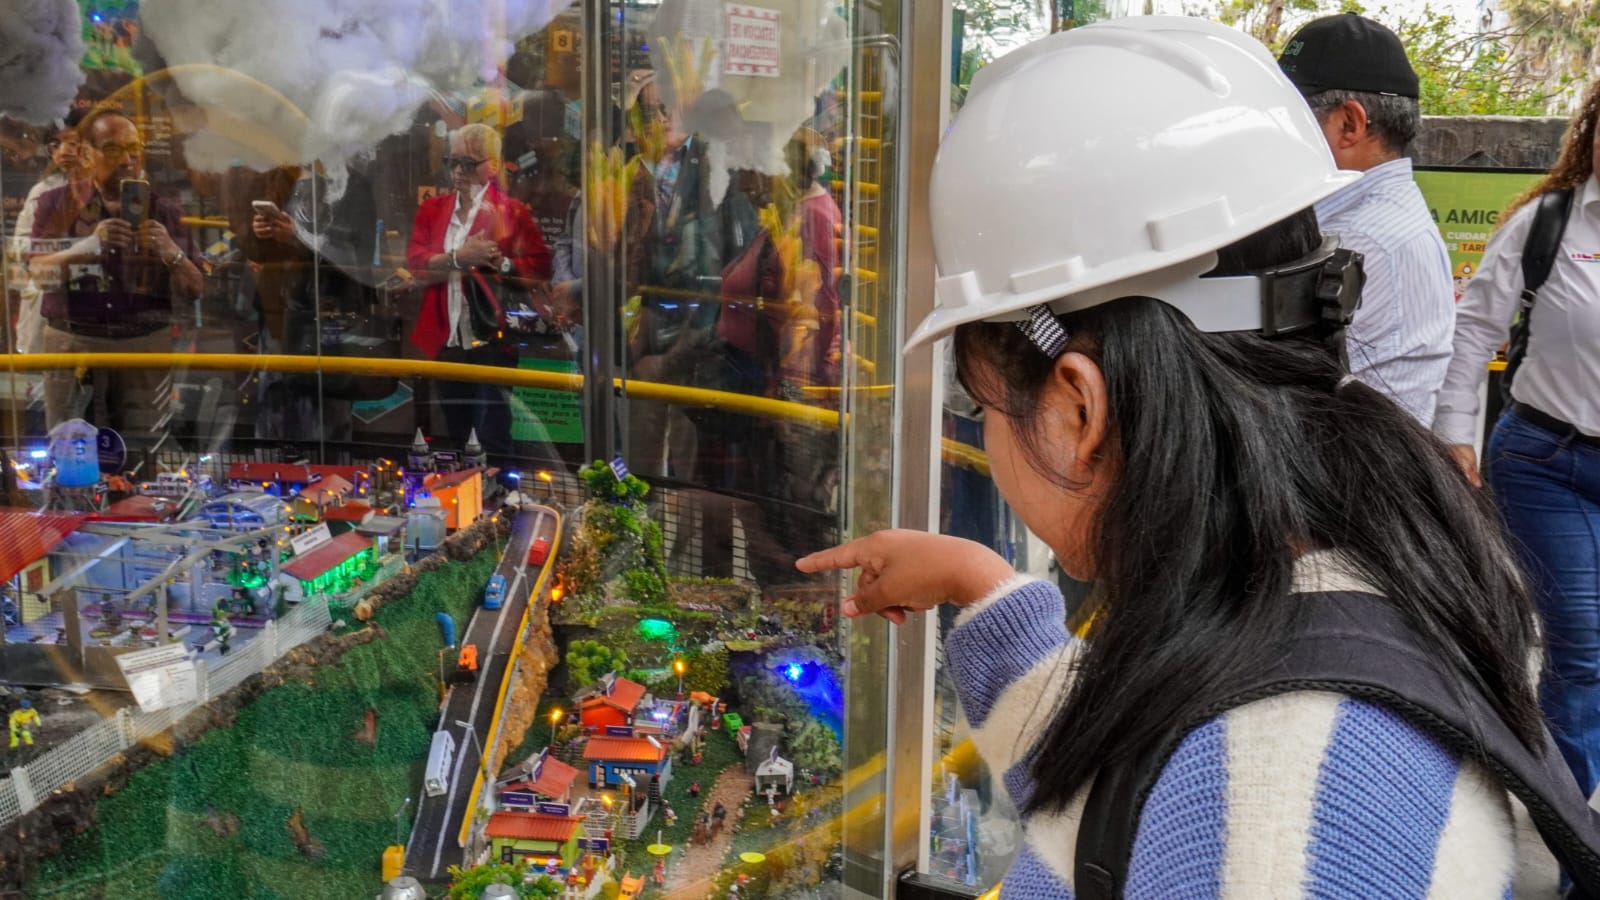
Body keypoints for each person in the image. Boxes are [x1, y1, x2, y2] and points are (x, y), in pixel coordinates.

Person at [798, 18, 1548, 896]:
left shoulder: (1287, 815)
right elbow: (1143, 803)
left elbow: (1221, 806)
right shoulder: (1320, 590)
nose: (985, 434)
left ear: (1080, 407)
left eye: (983, 404)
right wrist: (982, 587)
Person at [1436, 78, 1600, 802]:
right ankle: (1575, 830)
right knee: (1582, 650)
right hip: (1548, 464)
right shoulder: (1548, 223)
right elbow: (1475, 330)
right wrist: (1454, 434)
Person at [1277, 13, 1455, 425]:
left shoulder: (1355, 240)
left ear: (1349, 124)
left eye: (1289, 115)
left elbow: (1275, 387)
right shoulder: (1376, 219)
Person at [28, 109, 202, 442]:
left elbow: (195, 288)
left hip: (142, 345)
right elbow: (38, 273)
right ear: (86, 154)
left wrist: (171, 252)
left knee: (143, 449)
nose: (126, 160)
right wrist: (88, 246)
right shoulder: (56, 203)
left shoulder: (164, 211)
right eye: (112, 149)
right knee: (70, 448)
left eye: (134, 149)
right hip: (74, 340)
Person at [406, 122, 552, 464]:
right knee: (458, 431)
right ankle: (467, 490)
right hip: (445, 338)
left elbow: (540, 267)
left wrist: (502, 264)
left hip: (492, 338)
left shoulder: (510, 211)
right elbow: (416, 262)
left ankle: (501, 490)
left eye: (469, 163)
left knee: (493, 433)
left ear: (493, 166)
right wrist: (460, 257)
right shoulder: (433, 209)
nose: (458, 171)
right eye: (452, 162)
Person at [10, 113, 93, 354]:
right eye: (56, 144)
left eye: (72, 143)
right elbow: (19, 246)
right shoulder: (43, 191)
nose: (63, 151)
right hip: (49, 292)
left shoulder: (109, 187)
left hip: (94, 299)